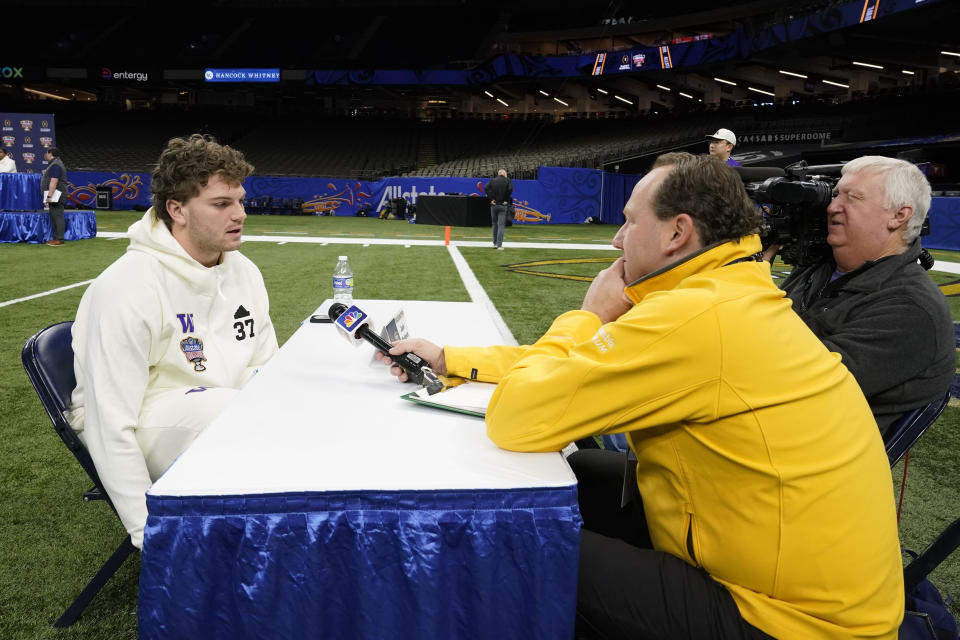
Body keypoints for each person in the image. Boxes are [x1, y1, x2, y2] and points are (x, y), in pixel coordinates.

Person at [377, 153, 903, 639]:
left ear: (678, 232)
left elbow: (516, 418)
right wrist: (450, 360)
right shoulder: (726, 294)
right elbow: (581, 370)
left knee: (510, 534)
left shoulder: (696, 315)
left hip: (789, 621)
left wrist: (589, 316)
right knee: (582, 471)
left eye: (629, 221)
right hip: (799, 584)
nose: (616, 240)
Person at [68, 134, 279, 549]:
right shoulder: (126, 287)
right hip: (143, 415)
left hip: (217, 404)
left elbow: (266, 363)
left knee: (279, 407)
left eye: (240, 200)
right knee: (234, 414)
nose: (239, 214)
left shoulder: (244, 271)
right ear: (176, 209)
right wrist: (149, 532)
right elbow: (107, 421)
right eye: (221, 204)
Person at [778, 156, 954, 434]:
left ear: (899, 215)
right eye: (836, 195)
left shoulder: (911, 309)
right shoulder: (818, 267)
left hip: (810, 456)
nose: (832, 207)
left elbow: (789, 381)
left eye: (853, 198)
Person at [41, 147, 67, 245]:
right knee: (55, 216)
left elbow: (54, 181)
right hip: (57, 193)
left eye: (46, 153)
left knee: (57, 216)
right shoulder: (55, 164)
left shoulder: (55, 165)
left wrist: (49, 196)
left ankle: (59, 239)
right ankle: (56, 238)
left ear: (50, 153)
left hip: (57, 194)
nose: (45, 155)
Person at [485, 168, 513, 249]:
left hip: (494, 205)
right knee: (500, 225)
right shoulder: (508, 180)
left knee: (494, 224)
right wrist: (506, 200)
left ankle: (495, 243)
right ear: (504, 174)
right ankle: (499, 245)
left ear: (498, 174)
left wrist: (491, 199)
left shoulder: (493, 180)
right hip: (502, 205)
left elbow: (486, 188)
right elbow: (510, 189)